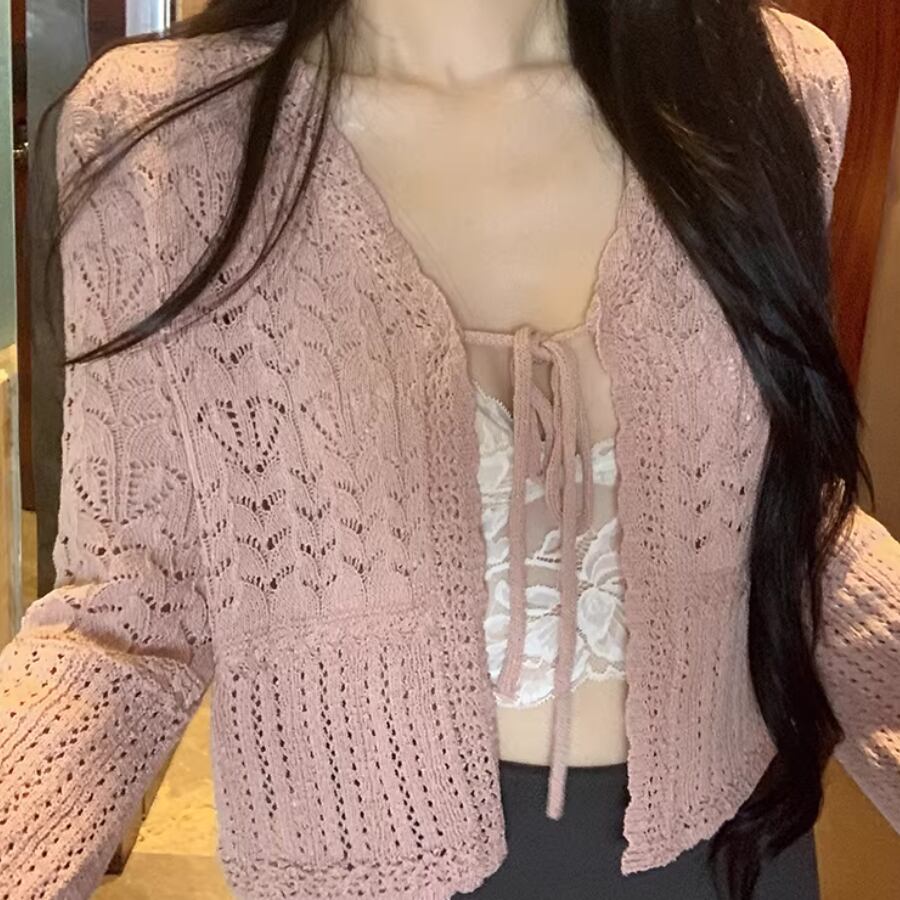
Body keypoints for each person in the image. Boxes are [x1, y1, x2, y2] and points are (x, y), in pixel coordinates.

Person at [2, 2, 898, 898]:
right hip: (360, 866)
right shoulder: (165, 140)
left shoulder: (771, 85)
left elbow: (787, 519)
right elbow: (127, 615)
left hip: (732, 852)